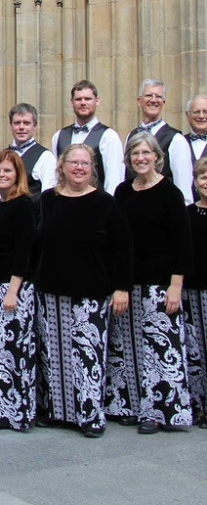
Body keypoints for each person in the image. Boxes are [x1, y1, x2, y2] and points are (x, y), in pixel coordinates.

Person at [34, 144, 132, 438]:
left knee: (87, 355)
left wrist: (121, 288)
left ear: (93, 169)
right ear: (61, 167)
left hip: (90, 291)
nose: (79, 168)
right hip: (51, 291)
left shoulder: (105, 203)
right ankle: (58, 410)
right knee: (53, 354)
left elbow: (123, 249)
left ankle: (90, 415)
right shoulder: (47, 200)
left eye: (85, 163)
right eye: (73, 162)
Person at [107, 132, 194, 434]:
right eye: (135, 154)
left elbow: (182, 243)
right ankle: (128, 404)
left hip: (159, 284)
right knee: (126, 347)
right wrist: (119, 283)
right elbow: (117, 240)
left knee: (159, 349)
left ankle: (158, 411)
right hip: (128, 283)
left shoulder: (170, 193)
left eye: (146, 153)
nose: (141, 159)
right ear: (128, 160)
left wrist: (176, 285)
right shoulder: (122, 192)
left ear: (157, 156)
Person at [0, 150, 36, 432]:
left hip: (12, 289)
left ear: (18, 175)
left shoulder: (23, 205)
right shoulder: (3, 204)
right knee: (2, 351)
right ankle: (3, 411)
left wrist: (13, 290)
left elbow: (23, 251)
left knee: (15, 352)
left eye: (7, 171)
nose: (2, 175)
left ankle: (18, 413)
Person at [125, 79, 193, 204]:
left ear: (163, 102)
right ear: (139, 101)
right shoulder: (131, 135)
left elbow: (183, 188)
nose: (154, 100)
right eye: (149, 95)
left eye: (158, 96)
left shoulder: (176, 139)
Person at [50, 80, 124, 195]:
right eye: (78, 99)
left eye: (88, 99)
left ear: (97, 101)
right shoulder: (59, 136)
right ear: (72, 102)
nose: (83, 102)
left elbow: (113, 179)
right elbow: (55, 177)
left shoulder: (109, 136)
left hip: (96, 205)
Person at [184, 158, 207, 429]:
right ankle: (199, 406)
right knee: (195, 350)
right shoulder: (188, 213)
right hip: (192, 290)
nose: (205, 182)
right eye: (202, 177)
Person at [7, 103, 57, 201]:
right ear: (11, 126)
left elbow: (48, 197)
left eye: (26, 123)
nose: (21, 127)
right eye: (17, 123)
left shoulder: (46, 157)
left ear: (35, 126)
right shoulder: (3, 156)